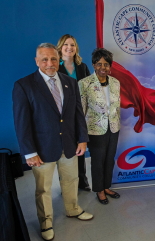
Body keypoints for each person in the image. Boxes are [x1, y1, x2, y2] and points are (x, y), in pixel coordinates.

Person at [12, 43, 93, 241]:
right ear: (37, 61)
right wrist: (29, 152)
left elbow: (77, 114)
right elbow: (22, 122)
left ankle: (72, 209)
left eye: (54, 59)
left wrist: (82, 139)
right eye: (45, 59)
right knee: (43, 188)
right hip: (42, 148)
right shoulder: (24, 85)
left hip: (69, 144)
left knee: (71, 181)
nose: (50, 63)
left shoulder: (69, 82)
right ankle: (45, 221)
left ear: (58, 59)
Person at [79, 48, 121, 205]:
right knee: (98, 160)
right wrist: (81, 135)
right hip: (95, 130)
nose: (103, 67)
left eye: (106, 64)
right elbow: (81, 111)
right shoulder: (84, 84)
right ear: (93, 65)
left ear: (110, 66)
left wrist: (116, 124)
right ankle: (99, 189)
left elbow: (117, 107)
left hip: (114, 128)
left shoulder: (116, 83)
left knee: (110, 159)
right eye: (99, 64)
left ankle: (107, 186)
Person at [57, 34, 92, 191]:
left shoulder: (82, 67)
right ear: (60, 47)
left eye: (72, 45)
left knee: (80, 146)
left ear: (76, 48)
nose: (69, 48)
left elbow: (90, 87)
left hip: (80, 113)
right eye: (66, 45)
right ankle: (66, 183)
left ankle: (82, 181)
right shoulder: (56, 67)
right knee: (65, 150)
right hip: (63, 114)